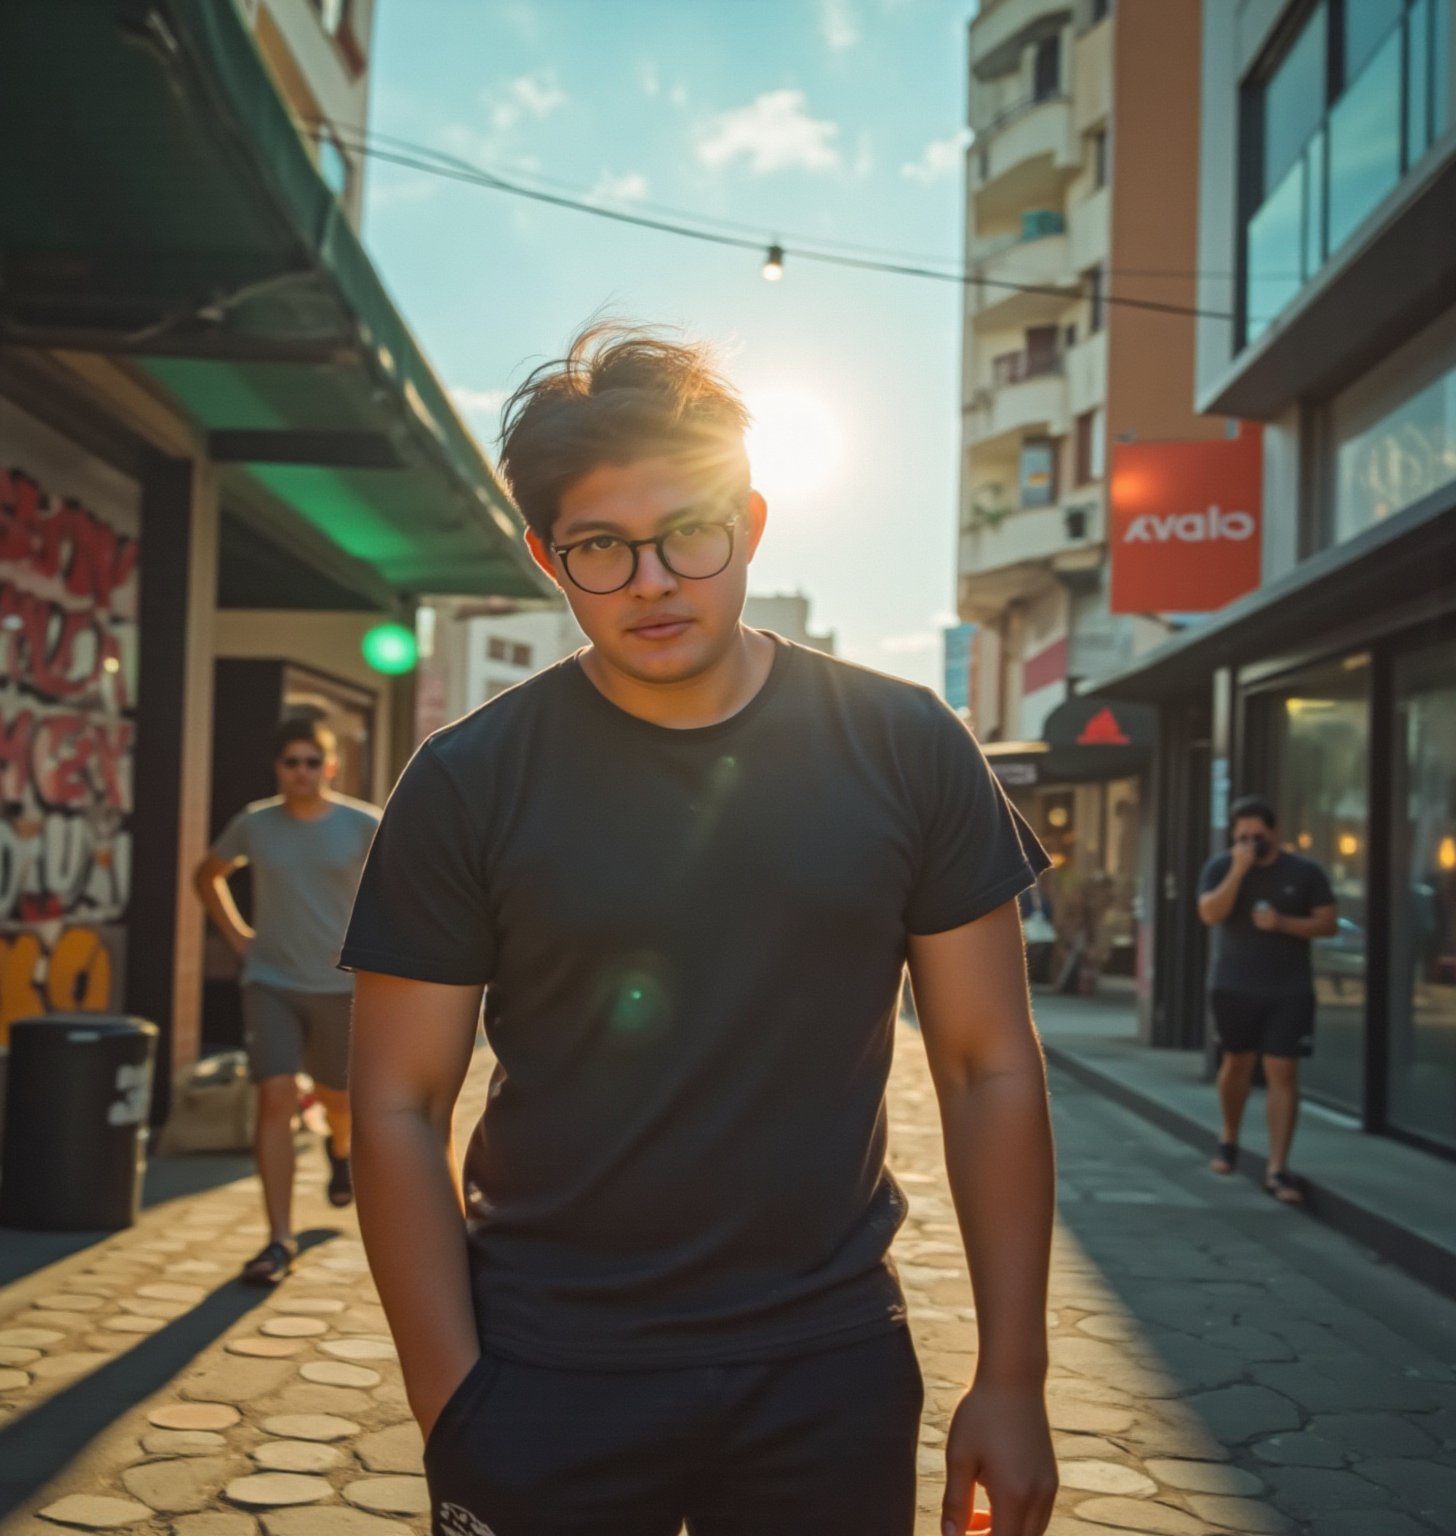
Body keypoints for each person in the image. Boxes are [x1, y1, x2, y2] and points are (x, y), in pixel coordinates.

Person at [343, 326, 1059, 1536]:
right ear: (545, 557)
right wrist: (453, 1401)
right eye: (601, 550)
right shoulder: (468, 778)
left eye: (692, 531)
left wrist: (1014, 1376)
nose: (656, 579)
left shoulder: (906, 744)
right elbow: (396, 1104)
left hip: (825, 1368)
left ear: (754, 520)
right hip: (542, 1369)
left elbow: (988, 1064)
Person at [194, 718, 380, 1283]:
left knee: (337, 1100)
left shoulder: (364, 824)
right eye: (288, 762)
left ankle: (340, 1150)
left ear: (330, 766)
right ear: (278, 769)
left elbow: (403, 888)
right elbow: (208, 875)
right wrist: (239, 938)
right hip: (270, 980)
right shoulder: (256, 823)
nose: (299, 771)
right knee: (275, 1097)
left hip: (342, 986)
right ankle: (279, 1239)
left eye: (310, 761)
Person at [1197, 795, 1338, 1204]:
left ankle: (1278, 1167)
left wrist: (1283, 923)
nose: (1250, 843)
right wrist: (1238, 871)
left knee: (1282, 1071)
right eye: (1242, 837)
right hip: (1234, 985)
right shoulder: (1222, 866)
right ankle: (1229, 1140)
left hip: (1288, 989)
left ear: (1274, 832)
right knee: (1236, 1062)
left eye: (1257, 836)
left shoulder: (1305, 871)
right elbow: (1209, 913)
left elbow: (1328, 924)